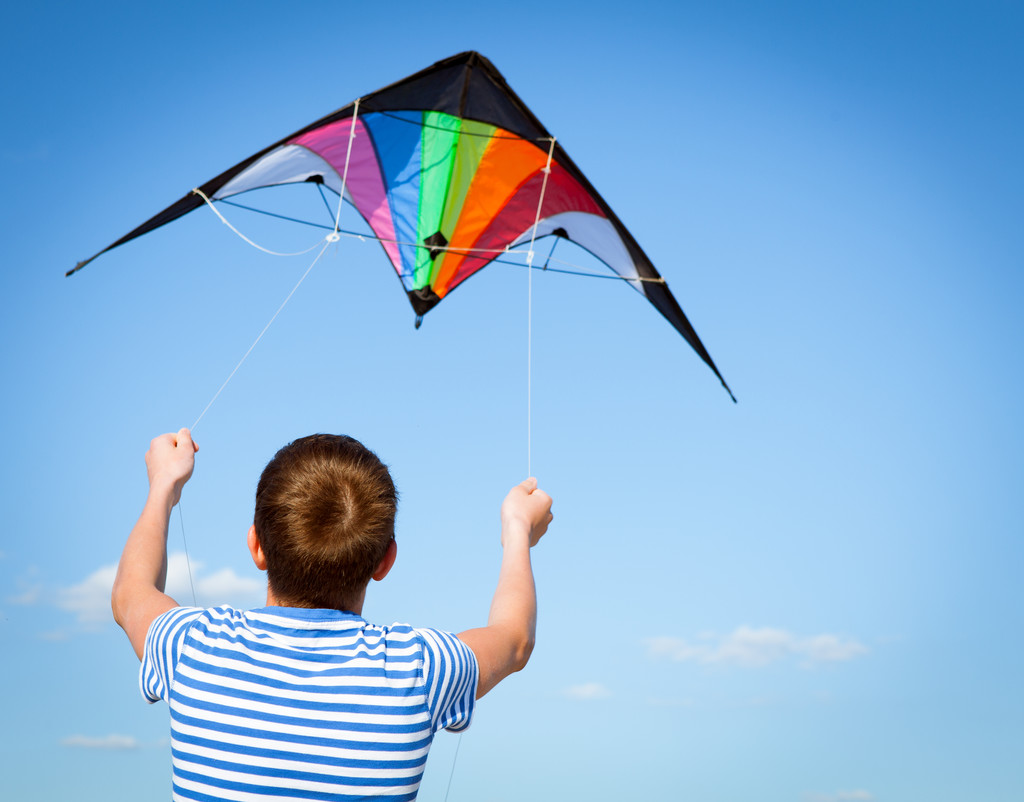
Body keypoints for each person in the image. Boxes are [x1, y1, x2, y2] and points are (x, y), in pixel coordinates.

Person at [111, 428, 553, 801]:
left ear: (256, 546)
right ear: (385, 561)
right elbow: (514, 638)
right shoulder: (418, 668)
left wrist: (163, 485)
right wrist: (517, 529)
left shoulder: (191, 646)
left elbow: (131, 592)